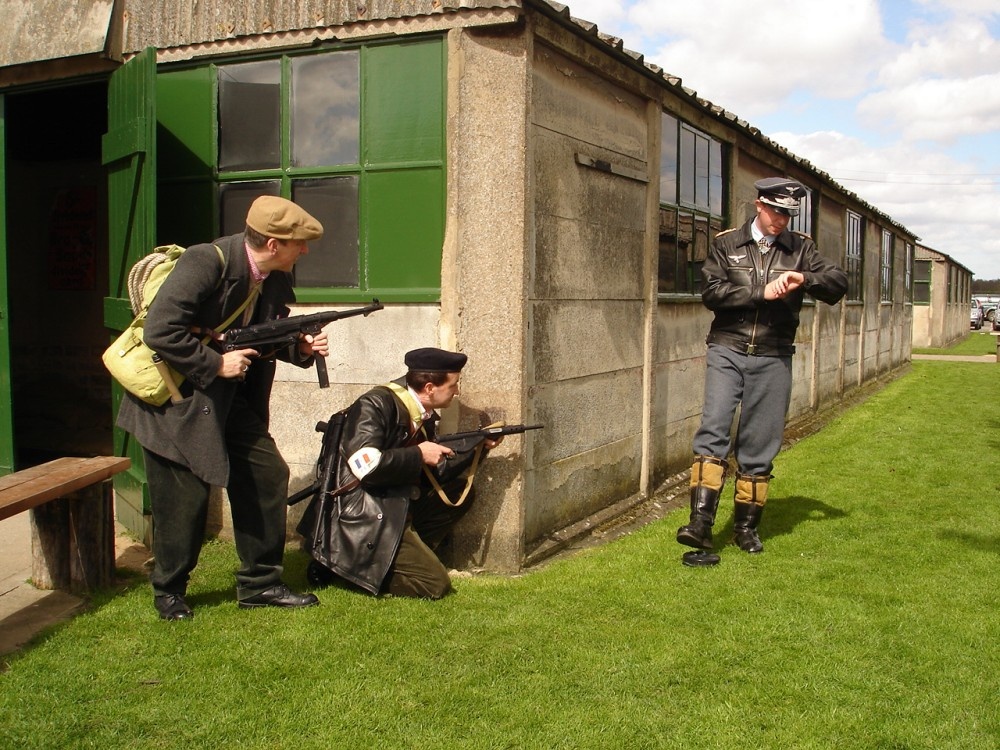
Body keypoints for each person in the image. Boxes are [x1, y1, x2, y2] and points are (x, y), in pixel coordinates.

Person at [117, 195, 330, 619]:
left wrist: (300, 348)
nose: (303, 251)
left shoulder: (272, 276)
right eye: (298, 243)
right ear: (272, 243)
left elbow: (259, 335)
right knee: (184, 500)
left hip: (227, 401)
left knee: (268, 474)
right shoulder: (204, 262)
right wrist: (215, 363)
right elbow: (161, 331)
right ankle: (170, 590)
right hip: (176, 400)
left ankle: (261, 584)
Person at [677, 177, 848, 560]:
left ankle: (745, 529)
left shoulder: (802, 249)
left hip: (773, 355)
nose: (781, 220)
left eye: (788, 214)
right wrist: (760, 291)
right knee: (714, 430)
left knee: (760, 443)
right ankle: (700, 525)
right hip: (727, 349)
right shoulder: (726, 244)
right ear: (759, 204)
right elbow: (711, 293)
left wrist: (805, 277)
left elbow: (838, 284)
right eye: (776, 211)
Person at [298, 347, 501, 599]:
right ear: (429, 388)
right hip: (362, 511)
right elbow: (366, 465)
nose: (457, 391)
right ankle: (348, 568)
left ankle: (405, 557)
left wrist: (479, 447)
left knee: (459, 493)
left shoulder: (418, 411)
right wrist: (418, 454)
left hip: (391, 502)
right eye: (453, 385)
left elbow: (435, 473)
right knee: (434, 585)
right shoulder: (374, 404)